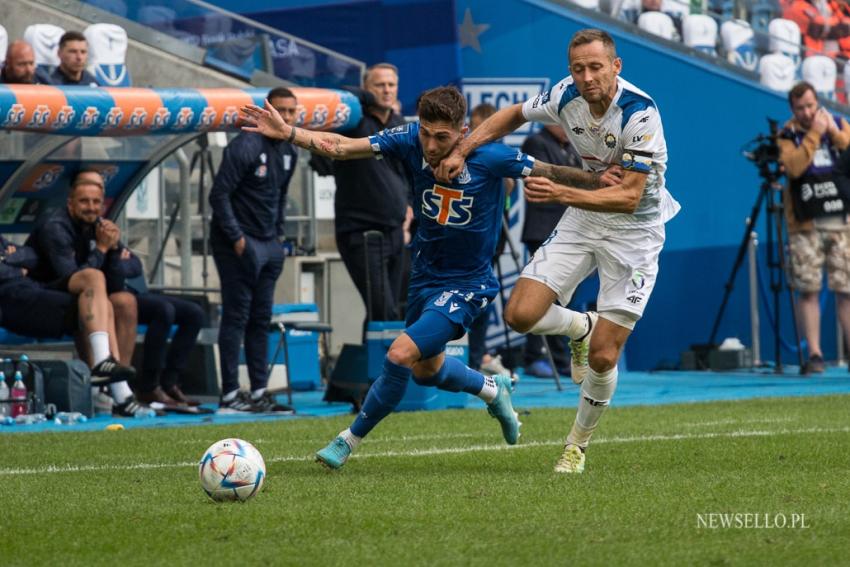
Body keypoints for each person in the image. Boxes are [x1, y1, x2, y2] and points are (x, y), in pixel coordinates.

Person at [241, 85, 614, 470]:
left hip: (468, 284)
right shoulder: (407, 140)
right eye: (426, 133)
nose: (431, 145)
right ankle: (491, 388)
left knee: (400, 353)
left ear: (464, 130)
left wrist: (597, 180)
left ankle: (347, 440)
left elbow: (550, 170)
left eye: (442, 137)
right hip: (424, 275)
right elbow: (342, 147)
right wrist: (289, 133)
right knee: (426, 370)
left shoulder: (490, 157)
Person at [436, 28, 680, 474]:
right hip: (586, 219)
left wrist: (563, 192)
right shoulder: (565, 94)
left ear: (616, 66)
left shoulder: (640, 113)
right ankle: (580, 327)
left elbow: (627, 197)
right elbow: (511, 115)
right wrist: (463, 149)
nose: (586, 77)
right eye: (578, 68)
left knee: (606, 357)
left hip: (636, 232)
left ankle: (576, 445)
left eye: (595, 67)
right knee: (520, 315)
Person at [209, 87, 298, 414]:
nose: (286, 118)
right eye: (280, 111)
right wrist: (237, 238)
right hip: (238, 242)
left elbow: (280, 197)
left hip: (268, 243)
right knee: (236, 315)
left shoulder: (290, 149)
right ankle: (230, 394)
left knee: (261, 318)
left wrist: (278, 237)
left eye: (291, 112)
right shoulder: (246, 145)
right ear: (266, 112)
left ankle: (259, 390)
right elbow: (218, 196)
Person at [329, 63, 412, 329]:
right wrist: (365, 98)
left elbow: (408, 175)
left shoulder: (400, 125)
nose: (387, 90)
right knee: (382, 311)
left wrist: (409, 208)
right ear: (366, 89)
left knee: (392, 310)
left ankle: (374, 370)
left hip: (396, 232)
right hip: (362, 232)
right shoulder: (352, 121)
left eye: (391, 85)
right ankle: (385, 371)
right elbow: (337, 95)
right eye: (379, 85)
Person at [777, 81, 850, 373]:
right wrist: (815, 135)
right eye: (800, 108)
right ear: (793, 110)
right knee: (808, 288)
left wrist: (831, 131)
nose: (807, 113)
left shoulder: (838, 123)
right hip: (805, 222)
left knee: (846, 289)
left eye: (810, 105)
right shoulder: (787, 133)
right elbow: (793, 167)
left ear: (817, 102)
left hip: (840, 218)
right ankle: (816, 355)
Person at [100, 235, 206, 408]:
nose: (92, 208)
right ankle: (149, 386)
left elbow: (136, 265)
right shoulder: (89, 239)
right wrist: (119, 263)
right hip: (114, 297)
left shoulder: (106, 230)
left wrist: (120, 264)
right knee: (164, 310)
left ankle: (170, 382)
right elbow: (111, 274)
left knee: (194, 313)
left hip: (136, 293)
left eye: (96, 205)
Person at [520, 124, 581, 379]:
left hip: (569, 232)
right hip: (543, 230)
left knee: (562, 298)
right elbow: (544, 185)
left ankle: (554, 357)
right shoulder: (536, 143)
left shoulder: (572, 147)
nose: (569, 127)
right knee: (544, 296)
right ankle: (540, 357)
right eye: (563, 122)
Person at [464, 102, 516, 379]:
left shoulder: (503, 153)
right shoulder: (464, 150)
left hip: (494, 237)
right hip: (469, 234)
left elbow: (510, 186)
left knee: (484, 298)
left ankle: (477, 355)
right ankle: (461, 356)